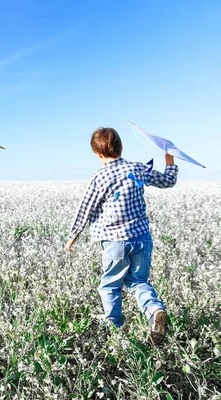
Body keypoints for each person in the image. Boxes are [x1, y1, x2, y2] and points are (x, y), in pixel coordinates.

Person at [65, 127, 178, 346]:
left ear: (97, 153)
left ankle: (114, 328)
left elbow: (85, 209)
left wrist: (72, 236)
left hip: (114, 241)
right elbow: (167, 181)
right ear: (121, 147)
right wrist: (169, 159)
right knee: (138, 282)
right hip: (141, 239)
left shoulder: (99, 177)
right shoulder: (137, 169)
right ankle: (154, 310)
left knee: (110, 285)